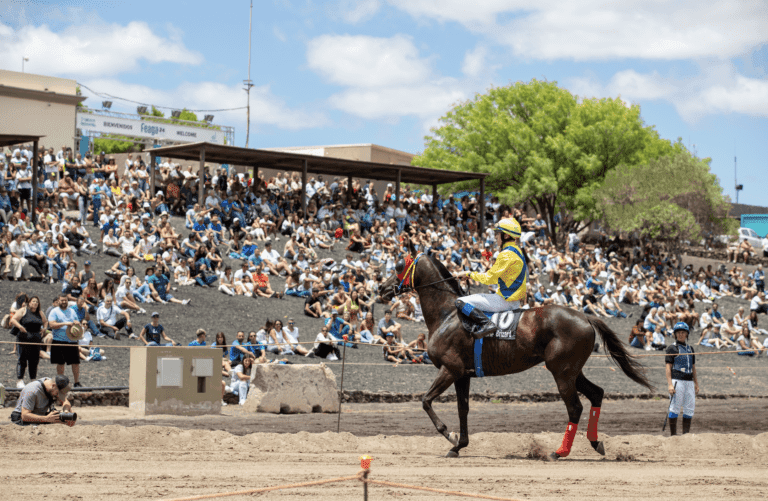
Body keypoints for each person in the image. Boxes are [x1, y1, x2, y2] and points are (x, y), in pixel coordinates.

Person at [455, 218, 527, 339]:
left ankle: (486, 324)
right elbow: (494, 279)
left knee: (460, 301)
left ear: (506, 236)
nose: (496, 237)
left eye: (498, 234)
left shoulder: (506, 254)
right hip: (514, 301)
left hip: (504, 301)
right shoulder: (517, 251)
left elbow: (489, 278)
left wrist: (469, 274)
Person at [665, 322, 699, 436]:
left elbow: (693, 368)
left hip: (689, 381)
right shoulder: (672, 348)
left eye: (683, 332)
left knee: (689, 408)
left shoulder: (690, 348)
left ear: (687, 334)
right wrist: (670, 384)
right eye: (678, 332)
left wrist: (696, 384)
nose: (681, 334)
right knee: (675, 407)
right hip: (677, 380)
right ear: (675, 334)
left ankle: (686, 435)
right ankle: (673, 436)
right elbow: (668, 367)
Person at [10, 295, 47, 388]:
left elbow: (46, 322)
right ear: (29, 302)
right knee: (22, 359)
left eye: (37, 302)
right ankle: (20, 380)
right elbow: (13, 319)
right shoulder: (23, 310)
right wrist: (20, 327)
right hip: (23, 339)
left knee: (34, 360)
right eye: (33, 301)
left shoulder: (40, 312)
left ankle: (33, 379)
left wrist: (44, 329)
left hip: (36, 339)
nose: (35, 303)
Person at [10, 375, 75, 426]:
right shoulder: (32, 391)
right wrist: (46, 419)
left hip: (40, 415)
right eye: (58, 393)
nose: (59, 395)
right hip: (20, 419)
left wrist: (66, 411)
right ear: (53, 386)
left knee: (58, 417)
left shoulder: (52, 384)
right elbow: (24, 416)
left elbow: (65, 402)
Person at [47, 294, 83, 387]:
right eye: (62, 300)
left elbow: (77, 322)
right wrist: (65, 323)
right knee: (60, 363)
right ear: (58, 301)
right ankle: (61, 383)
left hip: (72, 340)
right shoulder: (54, 311)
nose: (64, 302)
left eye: (65, 300)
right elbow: (51, 325)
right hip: (59, 340)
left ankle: (77, 382)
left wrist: (77, 323)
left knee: (75, 362)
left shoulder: (72, 311)